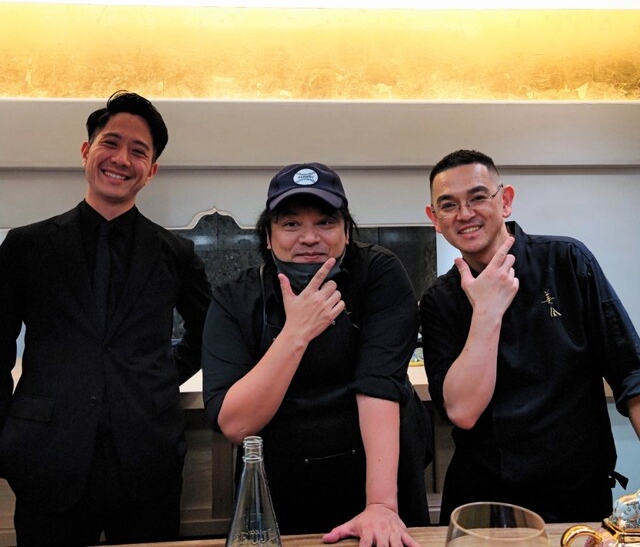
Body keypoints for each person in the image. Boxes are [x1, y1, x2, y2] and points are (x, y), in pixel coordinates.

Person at [0, 91, 212, 546]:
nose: (121, 159)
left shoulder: (175, 253)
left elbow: (209, 333)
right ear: (86, 151)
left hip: (147, 459)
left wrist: (156, 378)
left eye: (139, 151)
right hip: (46, 456)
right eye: (110, 143)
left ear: (151, 171)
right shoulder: (26, 246)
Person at [202, 162, 431, 546]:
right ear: (268, 236)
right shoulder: (235, 299)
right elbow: (237, 424)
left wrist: (380, 505)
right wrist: (296, 334)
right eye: (291, 224)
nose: (309, 238)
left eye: (325, 222)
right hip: (281, 481)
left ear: (346, 231)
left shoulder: (379, 273)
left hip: (377, 474)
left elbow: (377, 385)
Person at [420, 148, 640, 525]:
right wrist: (486, 312)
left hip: (577, 498)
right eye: (449, 205)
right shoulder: (439, 300)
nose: (465, 214)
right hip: (483, 502)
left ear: (505, 201)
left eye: (478, 197)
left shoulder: (567, 261)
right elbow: (462, 412)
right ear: (435, 219)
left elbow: (631, 373)